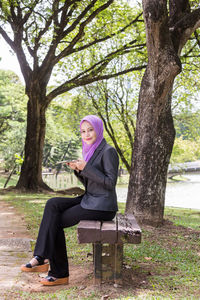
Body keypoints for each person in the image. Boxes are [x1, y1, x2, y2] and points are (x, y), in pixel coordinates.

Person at [21, 115, 119, 286]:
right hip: (91, 199)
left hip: (103, 206)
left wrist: (86, 168)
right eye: (83, 131)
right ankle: (42, 258)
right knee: (53, 204)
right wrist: (78, 171)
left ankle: (56, 271)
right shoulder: (92, 150)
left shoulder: (108, 151)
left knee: (55, 221)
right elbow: (92, 182)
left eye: (90, 130)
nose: (87, 134)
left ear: (98, 130)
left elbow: (110, 183)